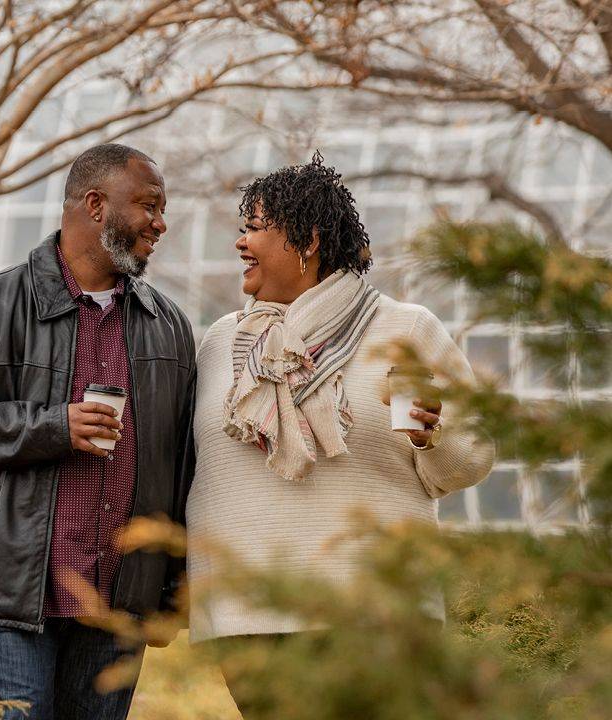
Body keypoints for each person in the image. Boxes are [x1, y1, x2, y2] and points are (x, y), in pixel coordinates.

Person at [186, 152, 494, 712]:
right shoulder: (221, 342)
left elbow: (470, 460)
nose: (239, 243)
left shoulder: (405, 328)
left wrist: (432, 435)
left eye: (254, 229)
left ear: (308, 241)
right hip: (247, 616)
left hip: (375, 616)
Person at [0, 143, 197, 720]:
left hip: (117, 608)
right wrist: (53, 426)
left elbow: (182, 467)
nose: (160, 224)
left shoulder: (168, 326)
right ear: (95, 204)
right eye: (148, 205)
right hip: (5, 596)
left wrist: (169, 593)